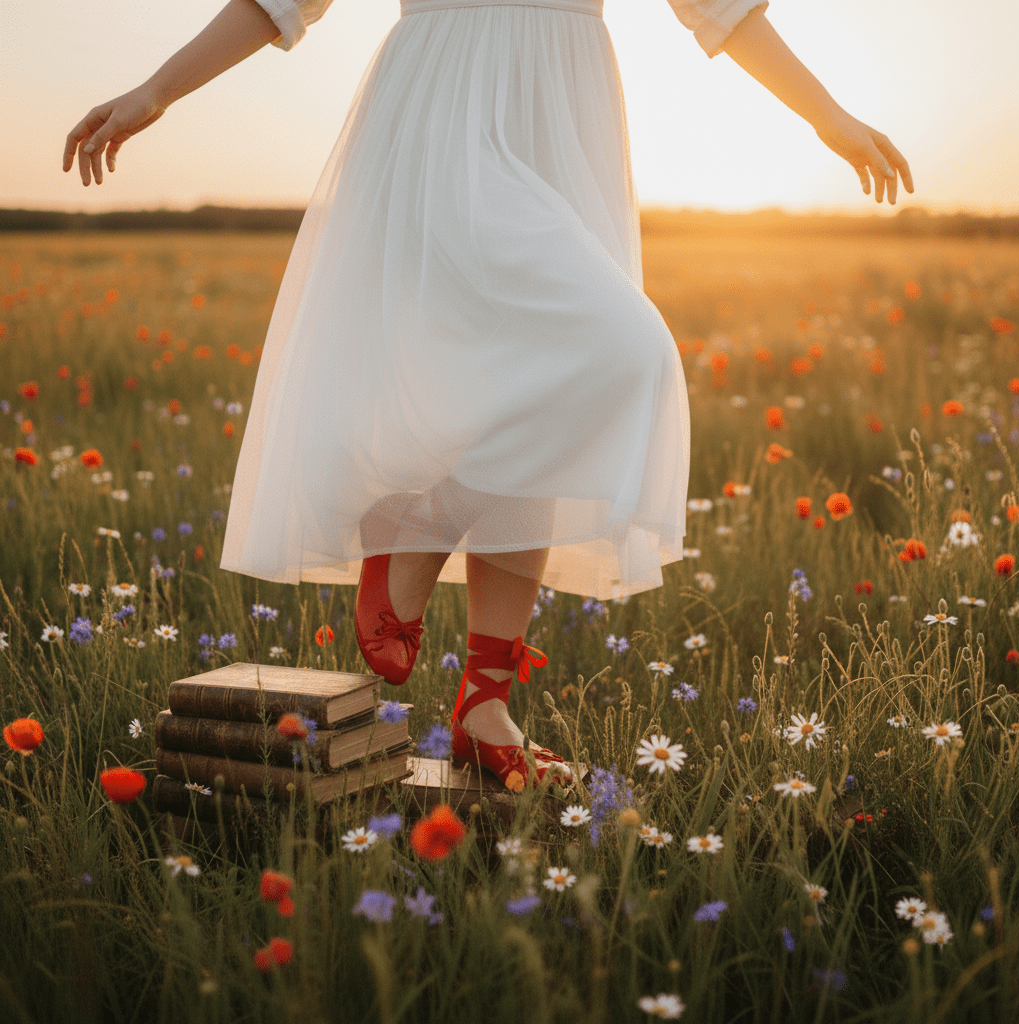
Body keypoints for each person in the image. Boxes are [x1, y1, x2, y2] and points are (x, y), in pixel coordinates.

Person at [64, 0, 912, 789]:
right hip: (445, 106)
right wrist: (158, 90)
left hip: (564, 121)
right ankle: (422, 540)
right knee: (609, 351)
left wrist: (827, 115)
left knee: (586, 363)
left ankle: (483, 698)